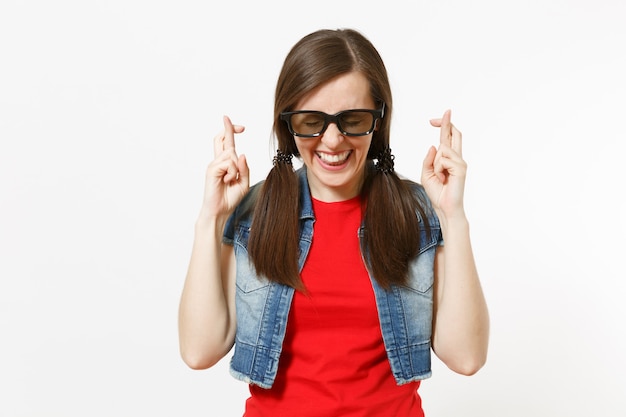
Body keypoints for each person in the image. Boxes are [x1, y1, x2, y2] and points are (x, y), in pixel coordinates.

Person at [178, 28, 489, 417]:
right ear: (288, 125)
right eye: (311, 121)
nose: (332, 139)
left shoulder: (417, 214)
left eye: (352, 119)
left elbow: (467, 357)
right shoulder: (254, 214)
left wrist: (453, 217)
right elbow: (198, 350)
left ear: (378, 120)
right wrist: (211, 218)